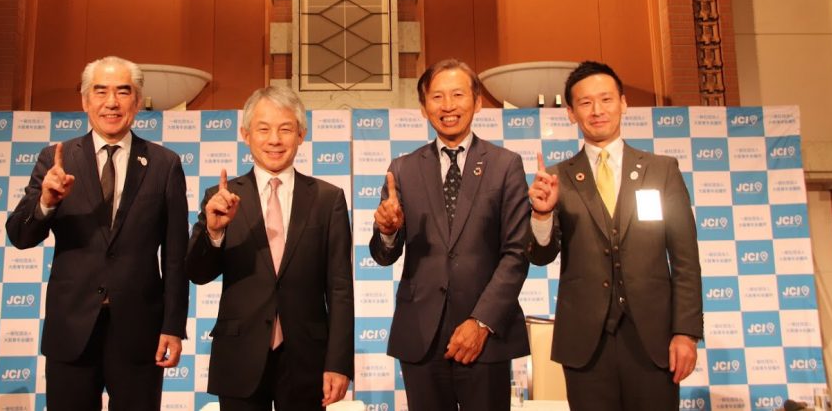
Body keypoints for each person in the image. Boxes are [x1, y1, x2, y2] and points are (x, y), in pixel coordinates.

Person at [6, 56, 189, 410]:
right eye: (101, 91)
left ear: (138, 101)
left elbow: (175, 256)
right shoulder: (55, 160)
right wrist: (46, 202)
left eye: (123, 92)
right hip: (71, 328)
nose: (112, 102)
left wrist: (173, 326)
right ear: (85, 100)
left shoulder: (164, 164)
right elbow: (20, 236)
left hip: (140, 330)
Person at [527, 60, 703, 411]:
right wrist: (542, 214)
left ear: (623, 103)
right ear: (571, 113)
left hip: (653, 340)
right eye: (585, 102)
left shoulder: (662, 170)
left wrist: (685, 332)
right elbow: (541, 255)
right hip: (586, 344)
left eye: (606, 99)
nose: (597, 110)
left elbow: (685, 260)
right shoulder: (558, 177)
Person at [369, 58, 531, 411]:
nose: (448, 106)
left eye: (458, 95)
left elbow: (517, 252)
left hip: (486, 336)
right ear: (423, 107)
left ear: (477, 102)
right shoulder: (403, 169)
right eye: (437, 96)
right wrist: (387, 232)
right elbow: (383, 255)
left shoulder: (506, 165)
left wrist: (481, 322)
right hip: (421, 337)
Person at [186, 86, 353, 410]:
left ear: (301, 134)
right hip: (239, 355)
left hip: (307, 358)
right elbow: (197, 273)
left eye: (285, 129)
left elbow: (340, 288)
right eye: (263, 129)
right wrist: (214, 231)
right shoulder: (220, 198)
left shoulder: (327, 198)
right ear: (246, 134)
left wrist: (338, 362)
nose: (274, 140)